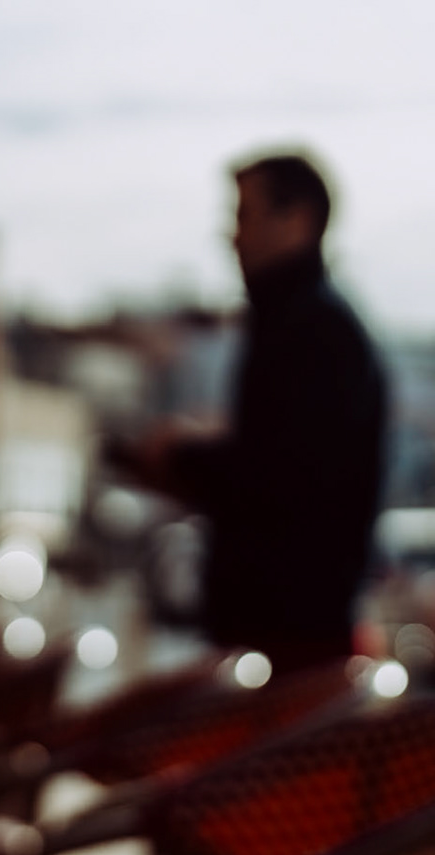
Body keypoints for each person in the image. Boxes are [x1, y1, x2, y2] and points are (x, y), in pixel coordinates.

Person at [125, 153, 388, 669]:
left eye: (244, 215)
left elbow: (278, 479)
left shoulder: (313, 331)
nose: (231, 236)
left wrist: (179, 456)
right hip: (283, 633)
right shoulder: (307, 323)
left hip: (290, 640)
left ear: (298, 220)